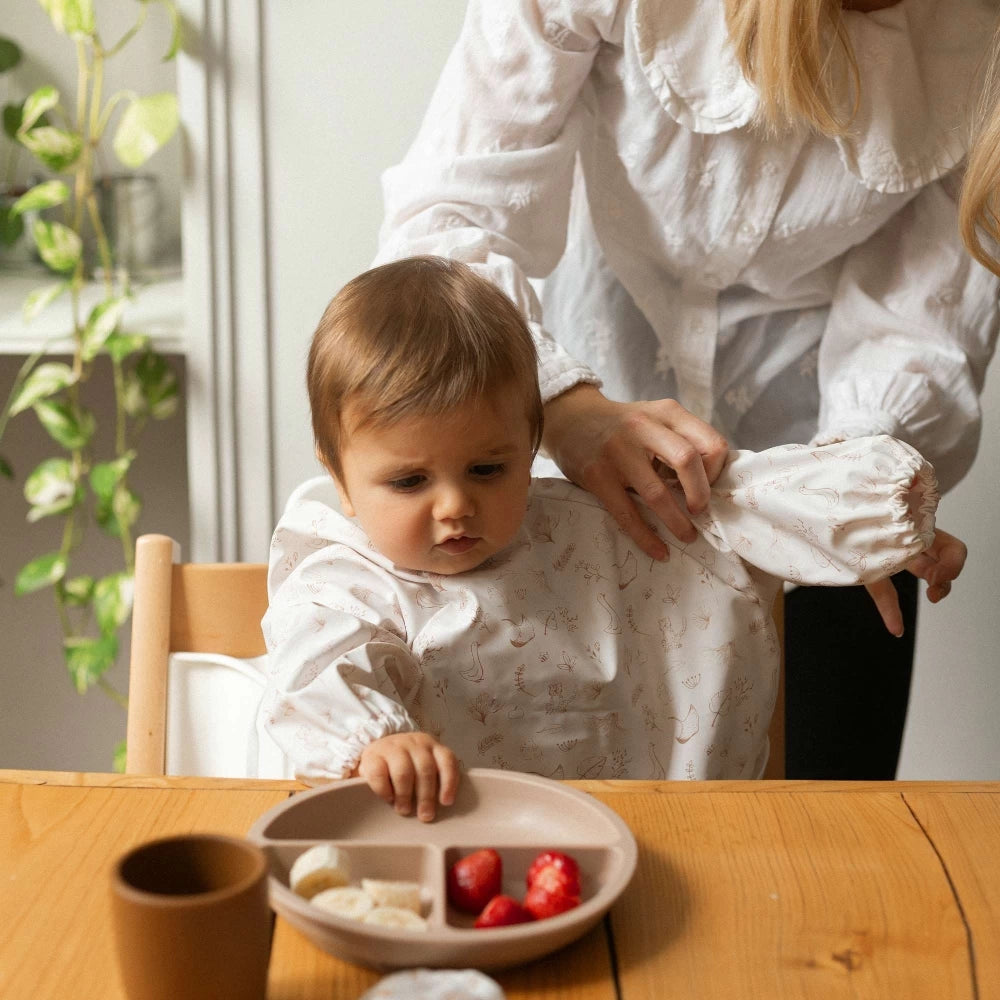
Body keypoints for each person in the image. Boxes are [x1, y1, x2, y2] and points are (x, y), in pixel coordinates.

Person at [370, 0, 995, 779]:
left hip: (822, 453)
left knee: (829, 849)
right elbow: (447, 221)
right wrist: (563, 402)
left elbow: (924, 315)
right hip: (577, 431)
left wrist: (848, 485)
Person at [258, 256, 939, 821]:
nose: (456, 505)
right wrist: (374, 742)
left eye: (488, 468)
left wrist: (874, 522)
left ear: (531, 448)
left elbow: (741, 504)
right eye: (409, 482)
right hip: (439, 853)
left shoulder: (600, 525)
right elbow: (313, 666)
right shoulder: (342, 577)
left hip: (657, 841)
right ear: (341, 479)